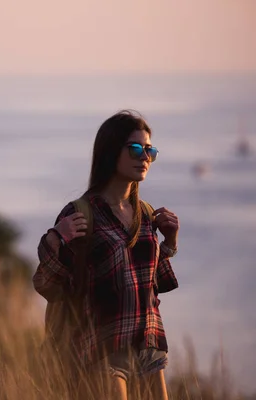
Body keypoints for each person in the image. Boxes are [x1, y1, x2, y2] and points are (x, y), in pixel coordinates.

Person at [33, 110, 180, 399]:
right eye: (136, 148)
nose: (145, 157)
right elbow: (46, 283)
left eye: (150, 150)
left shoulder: (146, 213)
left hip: (149, 345)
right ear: (111, 151)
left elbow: (149, 281)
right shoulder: (81, 213)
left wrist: (170, 243)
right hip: (102, 347)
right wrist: (56, 238)